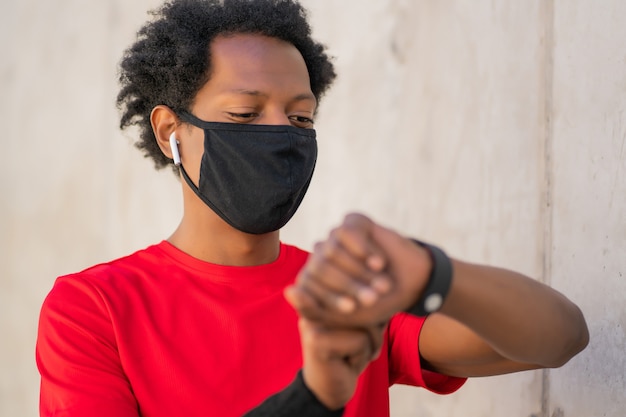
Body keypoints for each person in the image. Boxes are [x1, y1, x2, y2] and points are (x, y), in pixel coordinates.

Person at [35, 0, 589, 416]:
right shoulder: (94, 310)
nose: (280, 134)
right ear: (169, 131)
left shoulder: (347, 294)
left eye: (300, 118)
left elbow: (560, 337)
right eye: (246, 115)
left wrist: (430, 271)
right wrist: (314, 396)